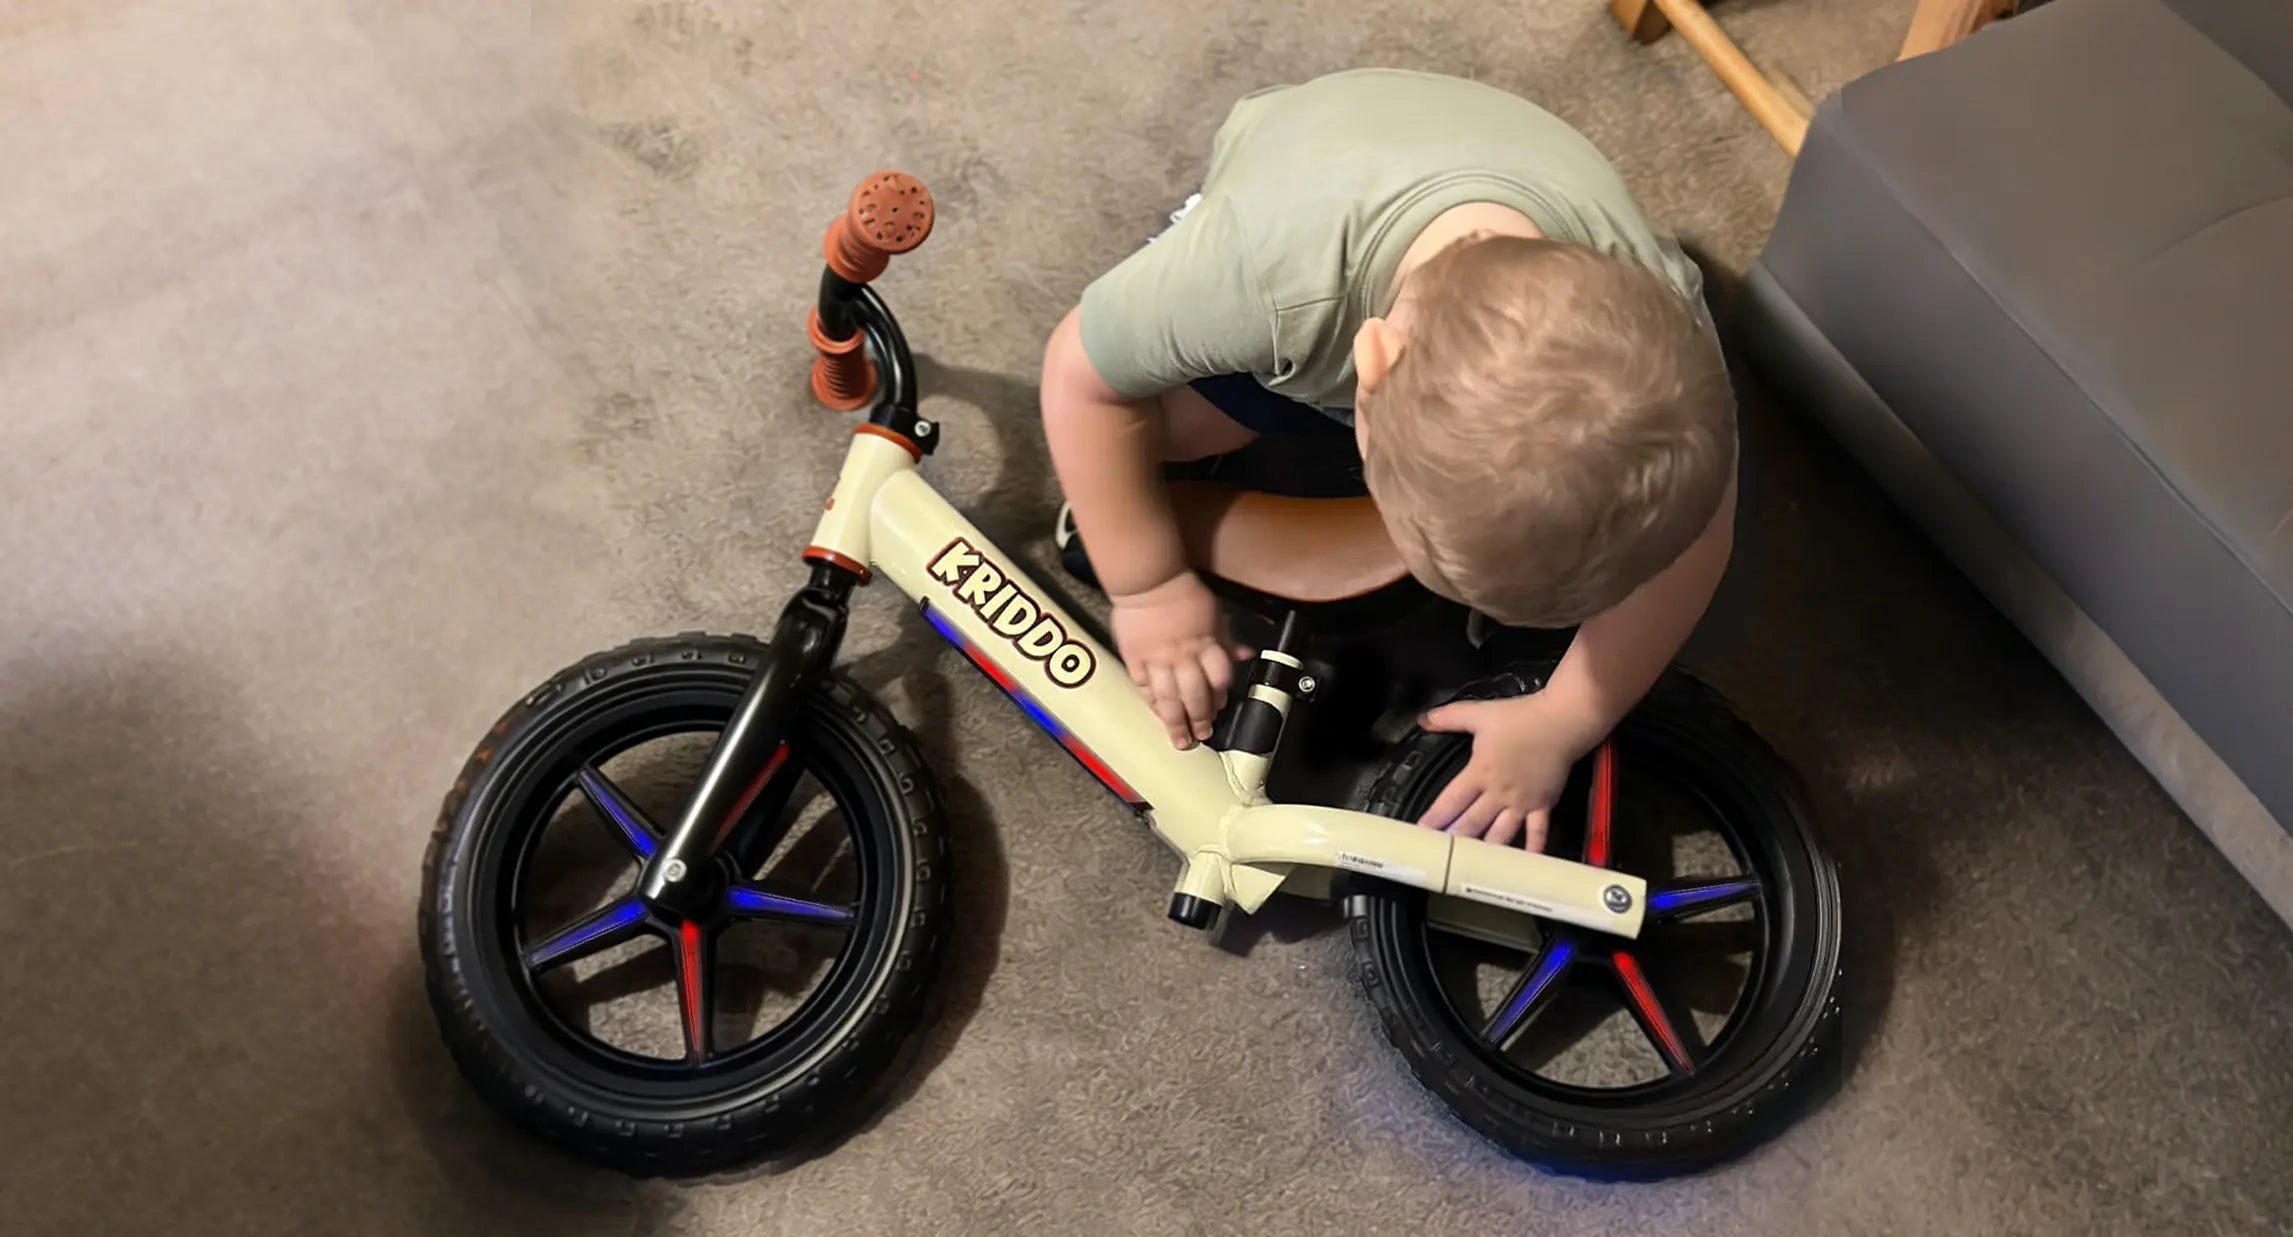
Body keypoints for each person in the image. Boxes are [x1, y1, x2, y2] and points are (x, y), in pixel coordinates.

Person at [1038, 68, 1735, 852]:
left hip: (1474, 152)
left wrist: (1564, 716)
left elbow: (1694, 540)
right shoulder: (1265, 285)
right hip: (1301, 153)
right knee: (1165, 429)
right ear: (1367, 365)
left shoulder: (1671, 358)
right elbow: (1077, 371)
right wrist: (1148, 588)